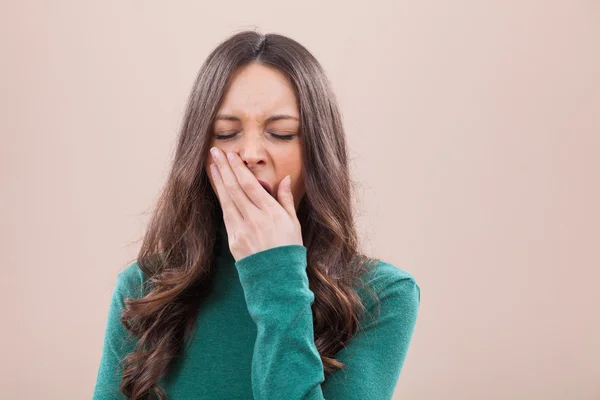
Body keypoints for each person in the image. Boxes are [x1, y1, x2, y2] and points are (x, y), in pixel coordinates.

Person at [92, 30, 420, 400]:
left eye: (281, 134)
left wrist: (275, 274)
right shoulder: (144, 289)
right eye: (226, 133)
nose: (250, 154)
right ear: (199, 154)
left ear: (318, 151)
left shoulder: (382, 296)